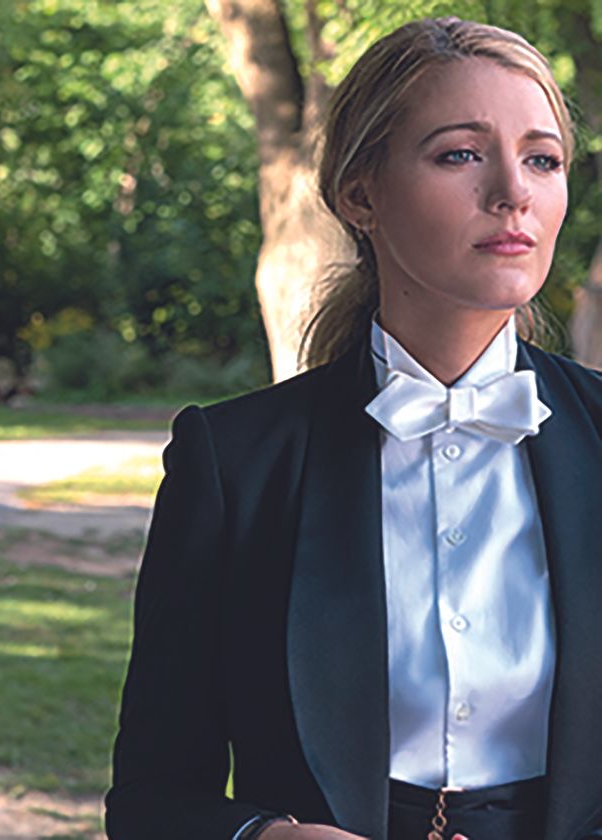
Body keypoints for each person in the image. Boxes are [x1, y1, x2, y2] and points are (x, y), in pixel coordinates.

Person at [105, 17, 599, 840]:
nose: (514, 190)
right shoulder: (233, 463)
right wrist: (263, 837)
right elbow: (151, 800)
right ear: (359, 193)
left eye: (543, 159)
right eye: (460, 154)